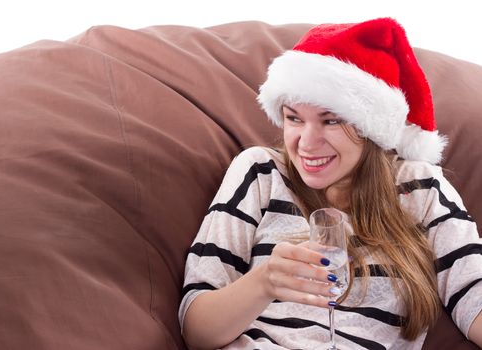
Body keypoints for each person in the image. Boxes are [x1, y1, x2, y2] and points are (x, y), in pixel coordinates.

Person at [178, 18, 482, 349]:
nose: (306, 144)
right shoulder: (261, 171)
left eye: (331, 120)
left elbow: (474, 298)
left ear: (371, 128)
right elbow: (197, 331)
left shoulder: (420, 188)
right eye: (294, 118)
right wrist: (265, 282)